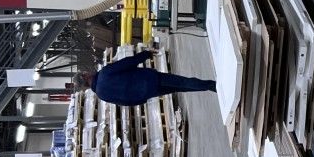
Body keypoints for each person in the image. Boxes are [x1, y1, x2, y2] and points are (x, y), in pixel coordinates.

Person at [78, 49, 216, 106]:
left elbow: (124, 103)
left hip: (148, 93)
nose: (88, 71)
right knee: (182, 82)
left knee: (180, 87)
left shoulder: (101, 95)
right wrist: (145, 54)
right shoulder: (104, 74)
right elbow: (127, 63)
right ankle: (212, 86)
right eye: (85, 72)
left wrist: (142, 99)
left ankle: (208, 87)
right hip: (150, 79)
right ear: (85, 76)